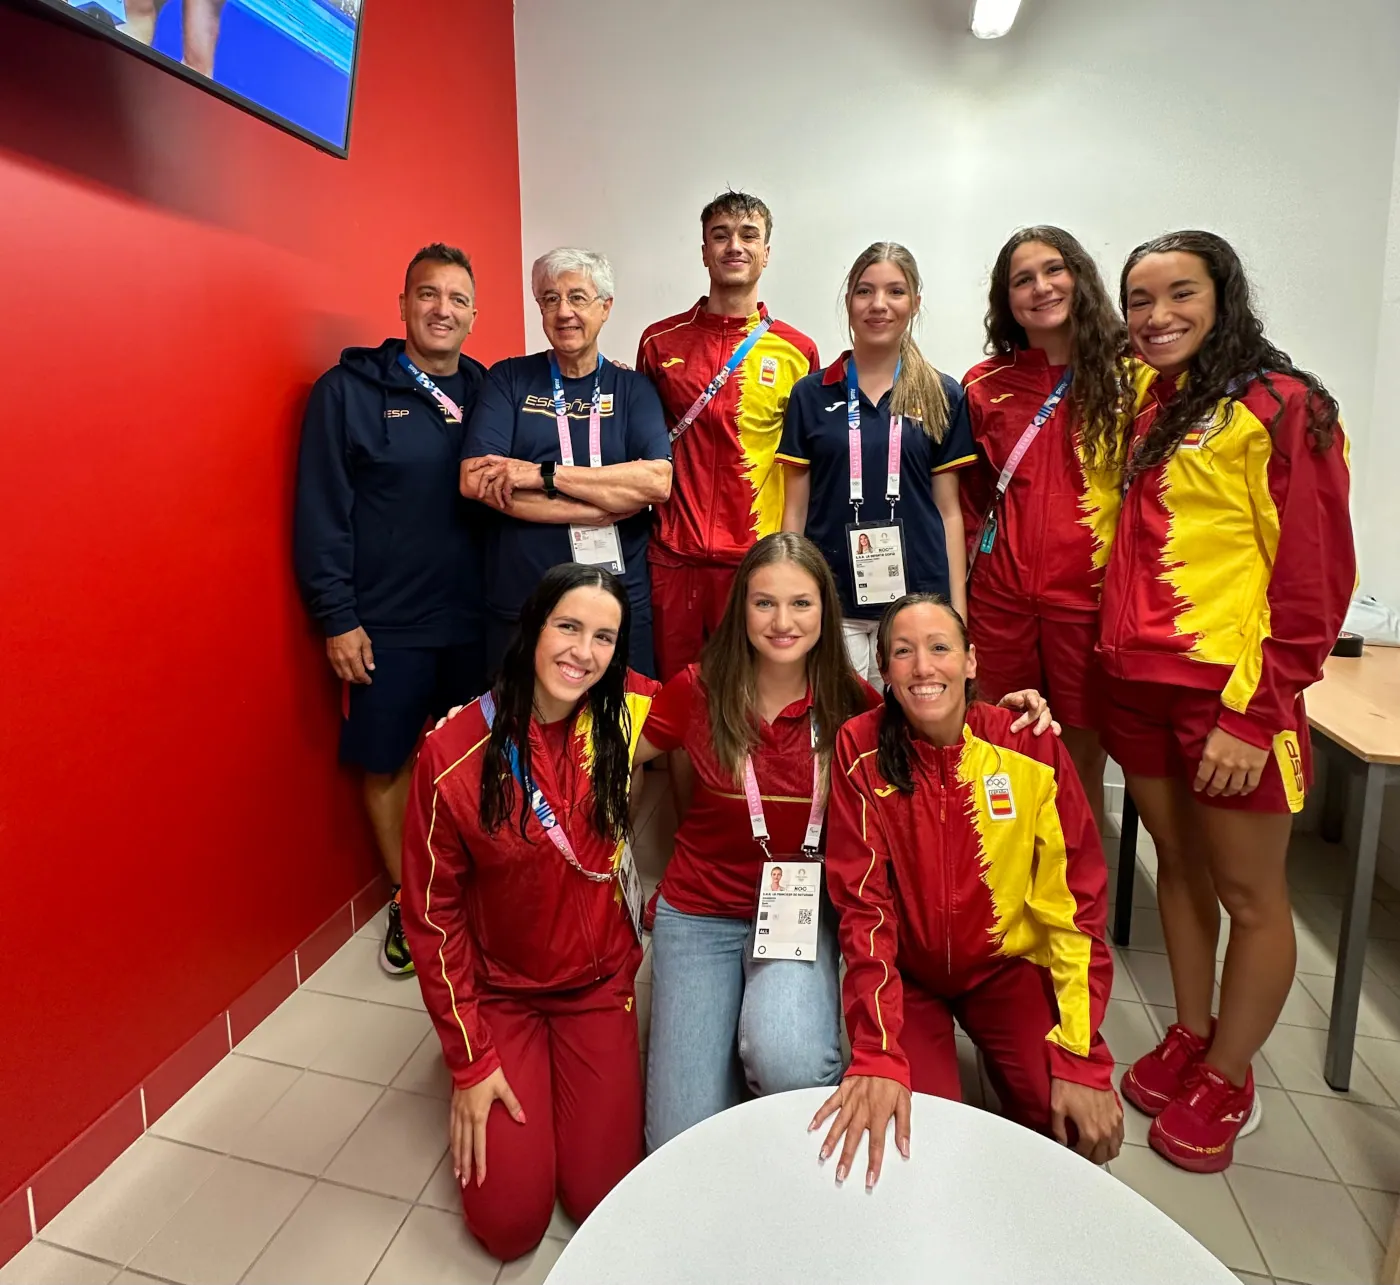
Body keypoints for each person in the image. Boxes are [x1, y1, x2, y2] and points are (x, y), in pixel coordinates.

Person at [638, 534, 1057, 1152]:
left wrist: (1014, 709)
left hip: (800, 913)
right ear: (740, 609)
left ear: (826, 611)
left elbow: (940, 716)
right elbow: (606, 751)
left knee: (794, 1064)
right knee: (675, 1138)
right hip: (701, 911)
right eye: (764, 604)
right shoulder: (695, 689)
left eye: (801, 604)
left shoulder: (855, 704)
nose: (782, 623)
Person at [1102, 231, 1354, 1172]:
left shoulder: (1285, 406)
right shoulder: (1151, 402)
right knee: (1178, 867)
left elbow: (1315, 577)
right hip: (1138, 684)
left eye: (1179, 294)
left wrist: (1255, 715)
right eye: (1139, 299)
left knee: (1250, 893)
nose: (1156, 315)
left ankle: (1234, 1072)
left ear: (1224, 296)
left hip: (1231, 696)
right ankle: (1193, 1033)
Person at [813, 594, 1121, 1191]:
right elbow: (863, 906)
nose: (924, 667)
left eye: (939, 648)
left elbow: (1075, 907)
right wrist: (877, 1050)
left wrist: (1082, 1055)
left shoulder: (1028, 743)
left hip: (1004, 969)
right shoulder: (860, 748)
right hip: (911, 976)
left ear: (972, 661)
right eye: (903, 652)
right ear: (885, 673)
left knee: (1080, 1132)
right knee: (913, 1145)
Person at [399, 564, 659, 1262]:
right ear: (532, 628)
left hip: (598, 988)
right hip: (501, 996)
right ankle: (504, 1073)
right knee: (509, 1226)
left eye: (604, 636)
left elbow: (729, 697)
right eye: (568, 627)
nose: (583, 651)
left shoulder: (626, 709)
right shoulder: (451, 753)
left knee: (603, 1198)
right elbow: (432, 918)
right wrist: (471, 1061)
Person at [294, 243, 487, 975]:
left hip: (475, 620)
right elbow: (321, 513)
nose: (443, 309)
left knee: (475, 762)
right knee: (385, 762)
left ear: (474, 314)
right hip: (384, 624)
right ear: (402, 305)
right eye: (428, 295)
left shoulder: (487, 389)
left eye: (458, 299)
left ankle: (471, 889)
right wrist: (336, 616)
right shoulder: (345, 392)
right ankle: (417, 904)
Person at [960, 227, 1153, 832]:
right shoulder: (983, 384)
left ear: (1080, 277)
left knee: (1079, 765)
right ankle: (1001, 899)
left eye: (1053, 270)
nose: (1041, 288)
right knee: (999, 755)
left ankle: (1076, 907)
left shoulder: (1133, 378)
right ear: (1005, 299)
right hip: (1000, 604)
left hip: (1089, 606)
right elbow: (967, 505)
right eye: (1023, 279)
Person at [462, 247, 672, 678]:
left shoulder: (633, 389)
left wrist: (544, 475)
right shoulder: (508, 378)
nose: (564, 312)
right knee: (522, 733)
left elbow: (656, 482)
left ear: (605, 308)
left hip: (615, 600)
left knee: (624, 729)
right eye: (550, 299)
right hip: (524, 596)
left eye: (578, 297)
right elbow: (475, 481)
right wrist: (598, 508)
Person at [636, 190, 820, 681]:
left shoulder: (797, 351)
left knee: (747, 698)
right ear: (703, 251)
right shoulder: (660, 342)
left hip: (754, 559)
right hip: (673, 555)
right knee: (673, 698)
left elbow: (806, 465)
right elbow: (643, 449)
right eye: (720, 235)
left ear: (766, 252)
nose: (733, 246)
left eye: (747, 235)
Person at [779, 242, 976, 688]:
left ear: (915, 303)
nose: (879, 305)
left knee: (907, 732)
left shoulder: (942, 394)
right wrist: (790, 596)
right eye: (865, 291)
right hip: (832, 595)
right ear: (848, 300)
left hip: (919, 600)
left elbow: (949, 512)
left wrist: (958, 618)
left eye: (895, 292)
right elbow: (795, 509)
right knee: (838, 731)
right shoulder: (811, 394)